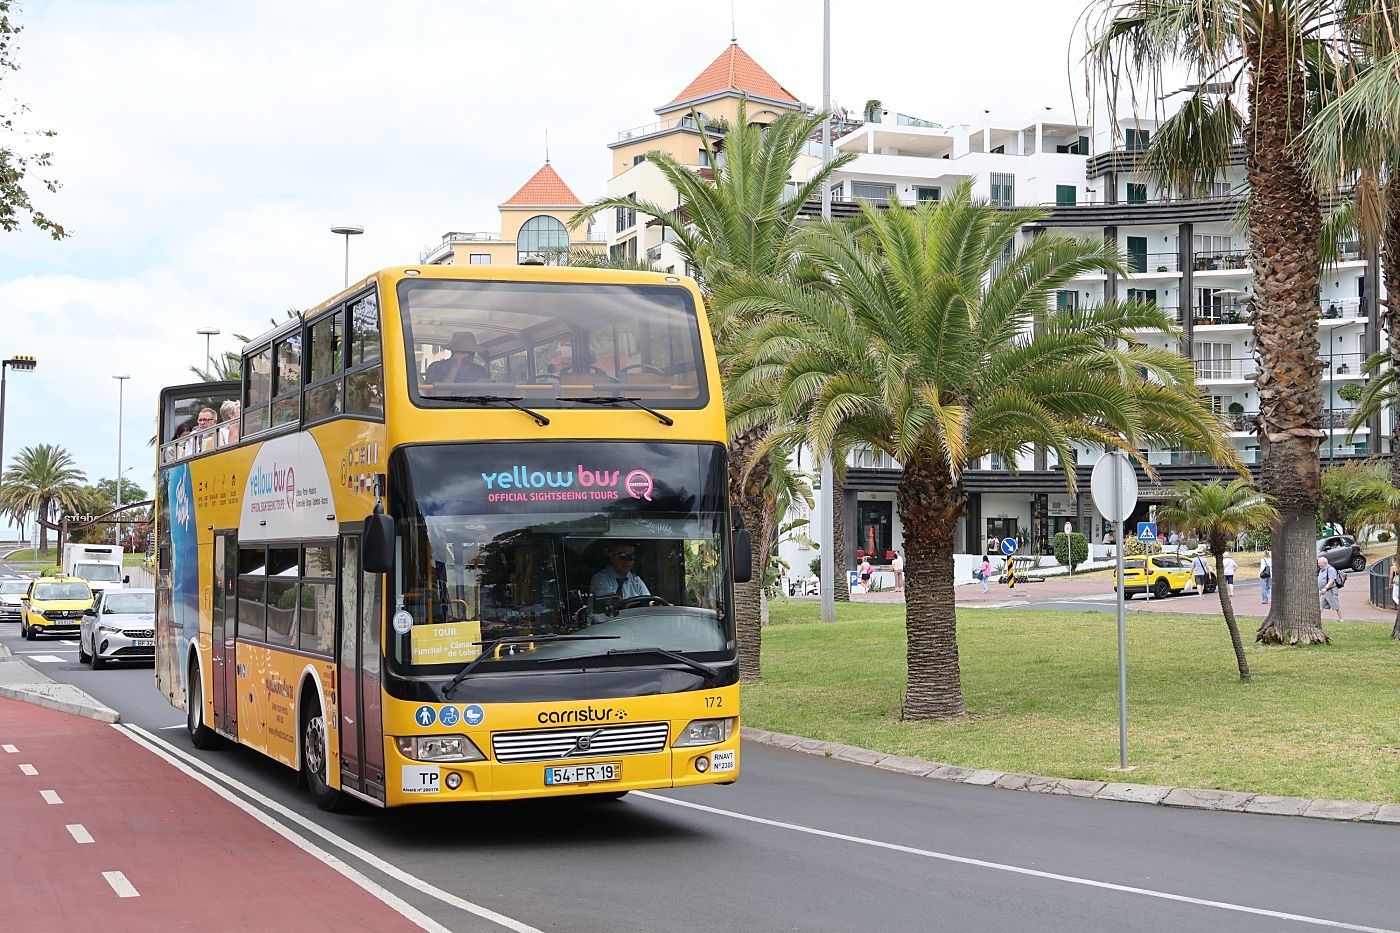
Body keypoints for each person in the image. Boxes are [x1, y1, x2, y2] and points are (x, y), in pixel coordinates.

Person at [1317, 556, 1343, 624]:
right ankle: (1317, 619)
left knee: (1335, 605)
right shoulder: (1322, 570)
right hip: (1324, 591)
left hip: (1330, 591)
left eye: (1320, 563)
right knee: (1321, 605)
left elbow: (1331, 580)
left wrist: (1326, 588)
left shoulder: (1330, 569)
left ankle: (1341, 619)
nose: (1318, 564)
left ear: (1324, 563)